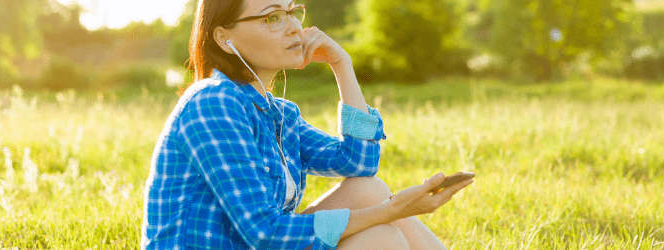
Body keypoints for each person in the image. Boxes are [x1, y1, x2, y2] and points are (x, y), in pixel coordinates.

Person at [140, 0, 474, 249]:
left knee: (366, 190)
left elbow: (359, 163)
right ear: (225, 39)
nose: (294, 28)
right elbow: (264, 233)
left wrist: (342, 65)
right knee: (381, 238)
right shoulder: (213, 103)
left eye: (291, 12)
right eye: (272, 17)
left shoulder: (278, 114)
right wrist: (391, 211)